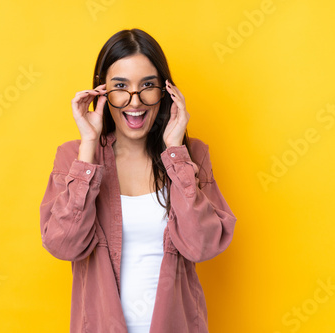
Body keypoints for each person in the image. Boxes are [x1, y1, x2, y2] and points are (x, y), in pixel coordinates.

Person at [40, 28, 237, 333]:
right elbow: (63, 245)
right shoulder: (75, 158)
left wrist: (175, 153)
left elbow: (203, 246)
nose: (135, 101)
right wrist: (88, 147)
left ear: (166, 91)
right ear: (102, 92)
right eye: (121, 86)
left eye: (148, 85)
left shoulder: (191, 155)